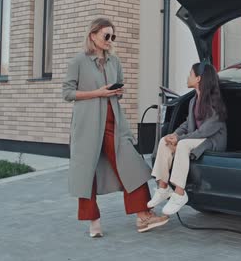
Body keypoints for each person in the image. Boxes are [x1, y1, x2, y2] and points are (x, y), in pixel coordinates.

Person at [62, 18, 168, 238]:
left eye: (113, 36)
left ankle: (143, 216)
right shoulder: (78, 62)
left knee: (132, 165)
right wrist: (97, 93)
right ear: (93, 35)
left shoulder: (114, 61)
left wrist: (117, 92)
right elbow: (68, 93)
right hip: (86, 126)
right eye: (106, 36)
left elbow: (118, 89)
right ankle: (94, 222)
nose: (110, 40)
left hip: (113, 123)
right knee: (86, 173)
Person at [148, 61, 227, 215]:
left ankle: (179, 193)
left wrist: (180, 140)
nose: (187, 77)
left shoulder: (214, 101)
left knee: (183, 145)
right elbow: (187, 123)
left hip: (212, 141)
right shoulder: (193, 101)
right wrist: (175, 135)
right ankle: (163, 188)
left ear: (198, 79)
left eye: (190, 74)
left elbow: (206, 130)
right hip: (196, 138)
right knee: (165, 141)